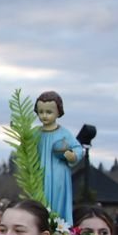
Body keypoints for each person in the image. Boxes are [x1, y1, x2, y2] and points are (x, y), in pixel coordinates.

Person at [35, 91, 83, 224]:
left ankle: (59, 228)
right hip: (39, 175)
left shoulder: (64, 133)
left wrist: (72, 156)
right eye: (41, 112)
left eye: (49, 112)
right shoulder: (36, 133)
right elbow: (26, 147)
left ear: (58, 112)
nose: (44, 116)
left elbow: (78, 148)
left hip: (58, 175)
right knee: (40, 202)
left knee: (58, 200)